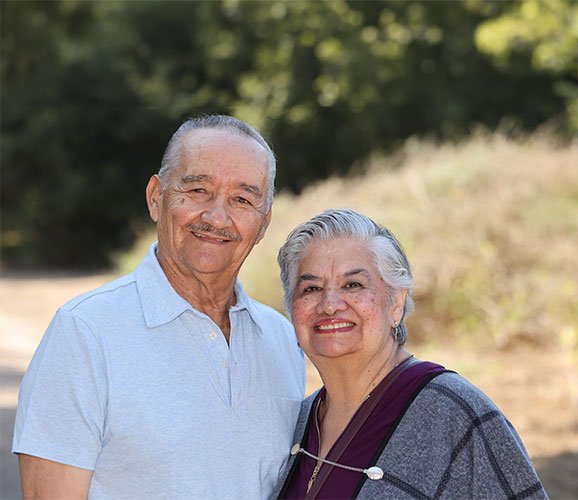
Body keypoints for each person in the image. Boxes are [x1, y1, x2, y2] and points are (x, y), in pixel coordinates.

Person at [12, 115, 306, 499]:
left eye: (242, 199)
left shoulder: (283, 339)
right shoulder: (84, 332)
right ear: (156, 197)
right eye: (198, 189)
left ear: (263, 222)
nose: (217, 217)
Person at [273, 209, 547, 499]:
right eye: (311, 288)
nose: (329, 305)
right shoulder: (296, 422)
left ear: (396, 303)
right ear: (292, 309)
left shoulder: (456, 415)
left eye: (353, 284)